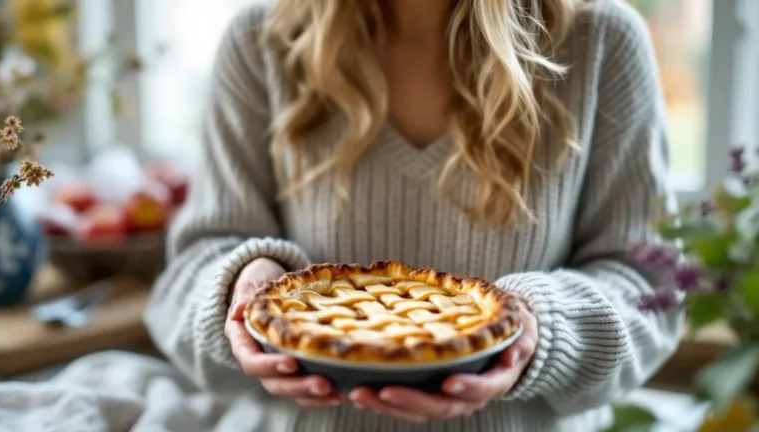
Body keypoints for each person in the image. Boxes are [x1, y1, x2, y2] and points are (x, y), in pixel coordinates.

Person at [145, 0, 683, 430]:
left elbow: (651, 289)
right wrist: (238, 289)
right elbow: (187, 274)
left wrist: (542, 330)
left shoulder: (603, 41)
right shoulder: (262, 39)